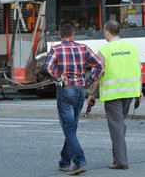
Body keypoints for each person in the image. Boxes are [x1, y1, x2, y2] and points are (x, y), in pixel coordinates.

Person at [44, 20, 104, 176]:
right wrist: (89, 81)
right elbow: (99, 65)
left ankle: (80, 161)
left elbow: (48, 67)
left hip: (66, 91)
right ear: (73, 33)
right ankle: (65, 161)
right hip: (80, 91)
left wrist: (58, 78)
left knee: (69, 128)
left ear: (59, 33)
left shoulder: (56, 49)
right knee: (72, 127)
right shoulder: (83, 48)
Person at [87, 20, 142, 170]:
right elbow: (138, 69)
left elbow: (97, 73)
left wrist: (91, 93)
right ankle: (118, 157)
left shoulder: (104, 50)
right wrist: (140, 91)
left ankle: (121, 161)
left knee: (116, 126)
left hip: (113, 94)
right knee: (120, 124)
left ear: (107, 32)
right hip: (130, 92)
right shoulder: (132, 48)